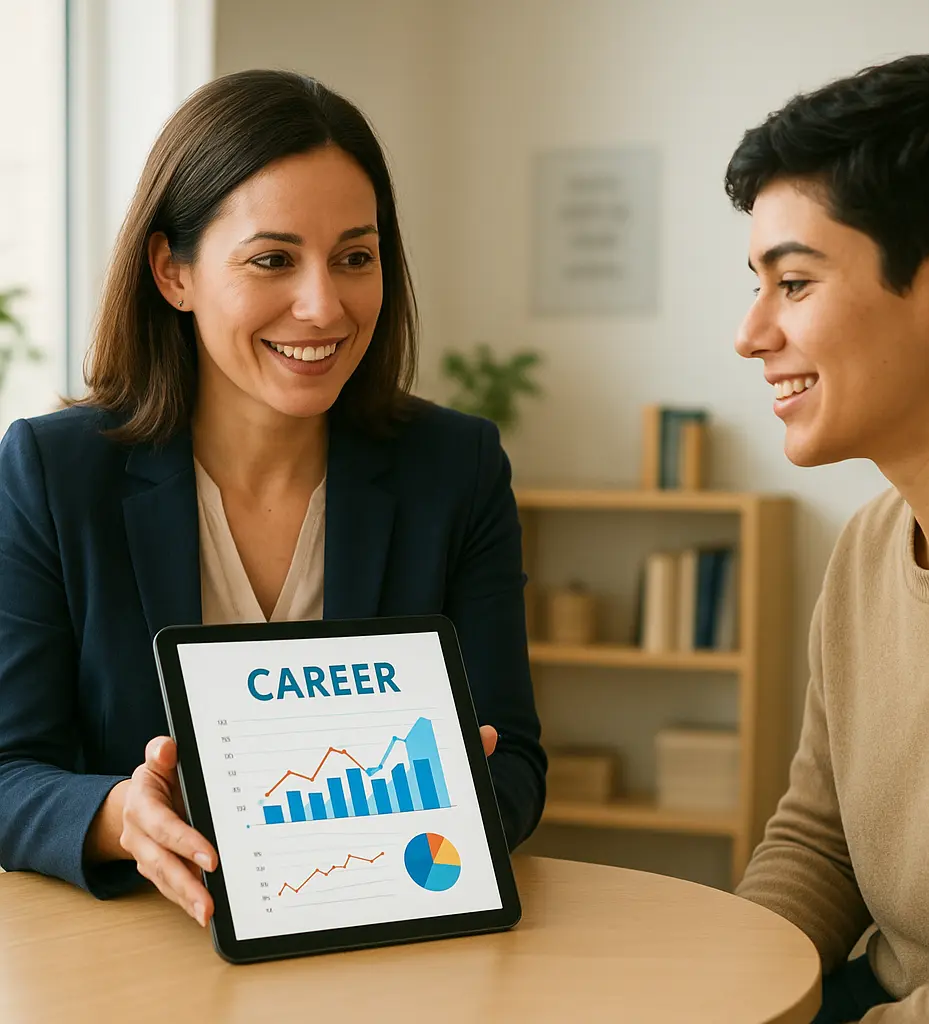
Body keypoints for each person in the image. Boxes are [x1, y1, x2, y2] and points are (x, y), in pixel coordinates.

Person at [0, 70, 546, 927]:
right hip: (132, 959)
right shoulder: (53, 472)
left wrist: (460, 810)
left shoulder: (457, 467)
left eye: (355, 258)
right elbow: (8, 772)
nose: (323, 305)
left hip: (384, 941)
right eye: (273, 259)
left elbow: (512, 760)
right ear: (172, 271)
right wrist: (118, 821)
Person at [725, 54, 929, 1022]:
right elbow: (818, 843)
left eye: (795, 283)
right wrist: (723, 992)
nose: (751, 332)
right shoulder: (867, 546)